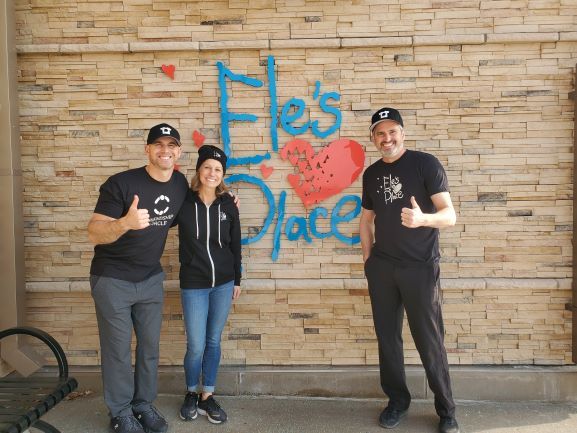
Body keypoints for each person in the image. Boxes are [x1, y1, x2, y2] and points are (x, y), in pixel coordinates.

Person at [359, 108, 460, 433]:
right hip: (383, 269)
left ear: (402, 132)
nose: (386, 139)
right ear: (373, 139)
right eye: (380, 133)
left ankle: (446, 411)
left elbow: (449, 215)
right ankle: (397, 401)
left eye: (392, 132)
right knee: (387, 339)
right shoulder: (371, 174)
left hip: (419, 268)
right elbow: (366, 219)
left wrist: (423, 220)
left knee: (429, 340)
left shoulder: (425, 164)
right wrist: (368, 260)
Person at [88, 123, 188, 433]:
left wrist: (228, 201)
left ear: (179, 152)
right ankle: (120, 412)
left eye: (171, 144)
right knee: (117, 349)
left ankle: (143, 405)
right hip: (112, 278)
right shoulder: (121, 184)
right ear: (147, 149)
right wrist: (125, 223)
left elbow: (200, 203)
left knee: (150, 346)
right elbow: (94, 231)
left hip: (149, 279)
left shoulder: (180, 184)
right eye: (158, 144)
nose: (165, 150)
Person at [176, 144, 242, 425]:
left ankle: (207, 395)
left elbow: (236, 244)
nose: (212, 173)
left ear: (222, 174)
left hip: (224, 284)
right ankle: (191, 392)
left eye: (217, 169)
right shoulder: (183, 202)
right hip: (194, 284)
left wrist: (237, 279)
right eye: (207, 167)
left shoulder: (228, 204)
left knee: (213, 341)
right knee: (196, 344)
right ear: (199, 171)